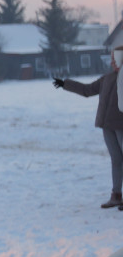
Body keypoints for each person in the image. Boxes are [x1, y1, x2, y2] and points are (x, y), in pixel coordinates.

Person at [53, 46, 123, 208]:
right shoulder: (107, 79)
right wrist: (65, 84)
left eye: (115, 59)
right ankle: (116, 195)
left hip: (121, 125)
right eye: (112, 59)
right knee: (116, 160)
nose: (112, 62)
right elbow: (87, 90)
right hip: (107, 125)